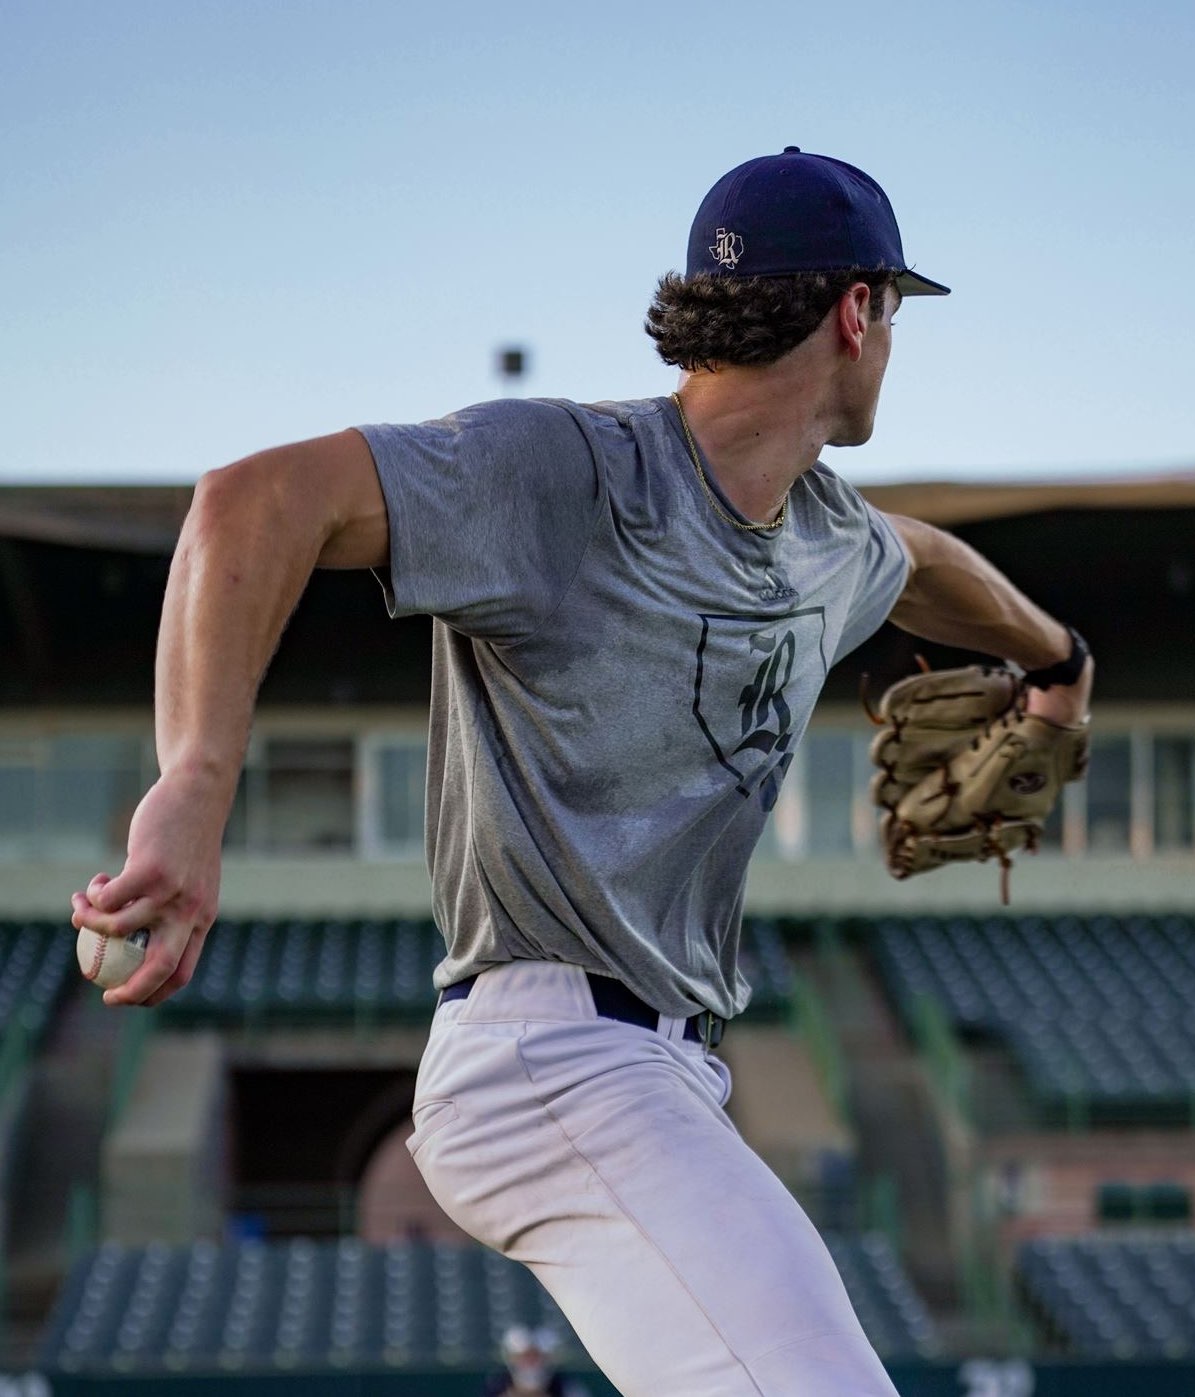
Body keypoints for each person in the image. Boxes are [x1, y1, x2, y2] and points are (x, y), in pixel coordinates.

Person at [72, 147, 1092, 1395]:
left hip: (662, 1070)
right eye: (893, 311)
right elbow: (251, 498)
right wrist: (192, 781)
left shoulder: (829, 535)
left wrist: (1054, 657)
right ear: (855, 312)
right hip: (550, 1055)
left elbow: (926, 564)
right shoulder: (566, 470)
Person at [485, 1326, 590, 1397]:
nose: (532, 1365)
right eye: (525, 1357)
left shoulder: (569, 1389)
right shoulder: (494, 1389)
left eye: (537, 1357)